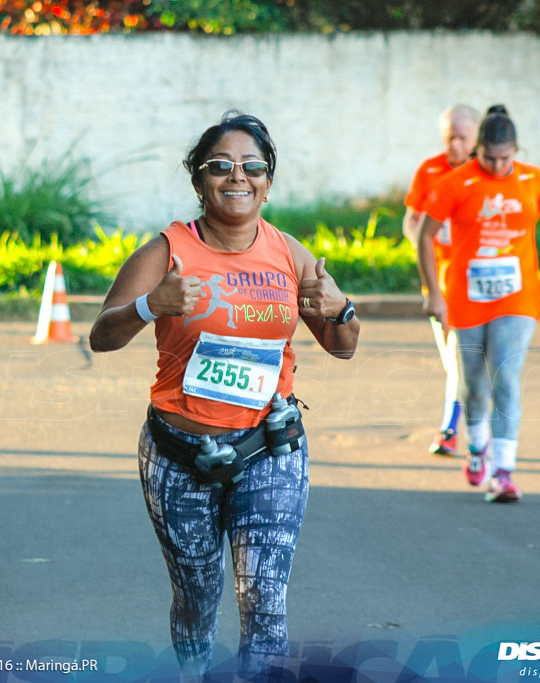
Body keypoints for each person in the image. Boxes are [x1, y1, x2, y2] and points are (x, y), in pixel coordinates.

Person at [89, 111, 360, 681]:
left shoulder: (289, 253)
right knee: (196, 596)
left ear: (267, 180)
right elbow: (101, 337)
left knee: (264, 601)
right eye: (220, 167)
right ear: (198, 181)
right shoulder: (166, 252)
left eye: (252, 166)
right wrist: (150, 306)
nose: (238, 177)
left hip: (270, 450)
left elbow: (342, 346)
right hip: (179, 455)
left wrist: (340, 310)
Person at [415, 104, 540, 503]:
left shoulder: (533, 180)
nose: (499, 165)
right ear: (479, 151)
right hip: (466, 298)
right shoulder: (456, 183)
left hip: (516, 296)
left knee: (505, 375)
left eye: (506, 158)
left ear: (516, 151)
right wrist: (434, 292)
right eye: (490, 157)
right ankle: (477, 448)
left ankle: (503, 471)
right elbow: (423, 235)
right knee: (473, 385)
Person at [402, 104, 480, 457]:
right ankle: (470, 424)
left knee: (461, 359)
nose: (456, 144)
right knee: (456, 361)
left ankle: (451, 430)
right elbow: (411, 221)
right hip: (439, 281)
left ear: (477, 137)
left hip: (476, 284)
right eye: (450, 137)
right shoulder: (429, 171)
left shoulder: (487, 175)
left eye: (463, 137)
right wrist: (423, 243)